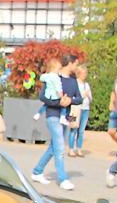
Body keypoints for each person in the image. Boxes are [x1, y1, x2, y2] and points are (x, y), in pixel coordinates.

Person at [30, 54, 81, 190]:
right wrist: (59, 102)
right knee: (59, 146)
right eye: (76, 64)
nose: (77, 67)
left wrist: (70, 101)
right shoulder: (53, 77)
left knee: (54, 147)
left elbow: (79, 99)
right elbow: (42, 97)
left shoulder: (73, 81)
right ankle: (63, 179)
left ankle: (37, 171)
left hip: (65, 117)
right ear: (70, 63)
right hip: (52, 115)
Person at [33, 59, 67, 126]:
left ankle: (38, 114)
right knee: (63, 106)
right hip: (55, 97)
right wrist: (61, 96)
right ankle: (63, 117)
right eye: (59, 69)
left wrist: (46, 74)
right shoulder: (56, 78)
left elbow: (41, 78)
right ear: (55, 68)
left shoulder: (47, 76)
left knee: (46, 105)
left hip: (48, 96)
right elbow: (58, 88)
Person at [69, 65, 92, 157]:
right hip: (75, 109)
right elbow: (72, 97)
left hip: (85, 108)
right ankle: (71, 148)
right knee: (73, 128)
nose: (85, 75)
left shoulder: (87, 85)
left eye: (86, 73)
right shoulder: (74, 84)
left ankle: (79, 148)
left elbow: (90, 97)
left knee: (81, 130)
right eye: (83, 73)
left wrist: (88, 96)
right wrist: (82, 95)